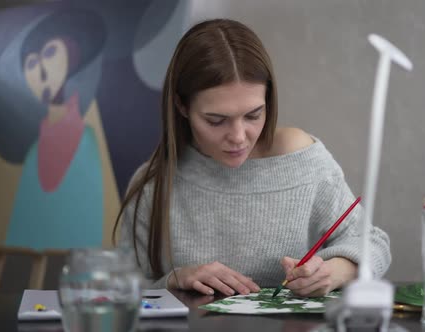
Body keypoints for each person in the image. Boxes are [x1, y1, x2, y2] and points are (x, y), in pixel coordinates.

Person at [114, 18, 391, 298]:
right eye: (216, 120)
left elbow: (374, 245)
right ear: (181, 106)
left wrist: (333, 273)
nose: (238, 136)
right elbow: (119, 288)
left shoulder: (301, 161)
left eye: (253, 115)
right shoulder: (153, 183)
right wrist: (174, 280)